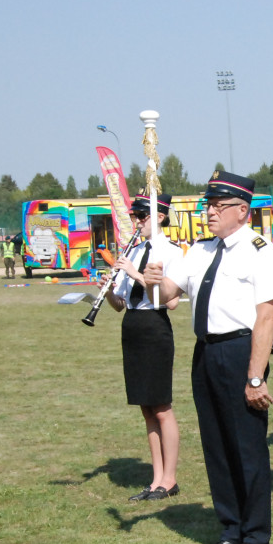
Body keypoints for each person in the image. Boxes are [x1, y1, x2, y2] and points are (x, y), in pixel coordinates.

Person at [144, 171, 273, 544]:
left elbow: (267, 315)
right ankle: (230, 530)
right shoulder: (201, 250)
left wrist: (255, 377)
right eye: (208, 206)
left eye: (218, 207)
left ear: (242, 210)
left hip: (241, 352)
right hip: (205, 353)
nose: (209, 213)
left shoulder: (261, 251)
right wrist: (153, 279)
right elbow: (170, 292)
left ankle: (256, 535)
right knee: (217, 447)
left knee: (247, 448)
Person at [103, 192, 183, 502]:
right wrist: (109, 289)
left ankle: (170, 479)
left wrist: (135, 274)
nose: (136, 222)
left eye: (142, 216)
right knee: (146, 408)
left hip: (155, 328)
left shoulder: (172, 252)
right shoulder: (134, 250)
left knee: (161, 406)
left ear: (159, 217)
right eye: (135, 217)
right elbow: (121, 305)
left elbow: (172, 302)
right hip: (133, 328)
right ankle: (155, 479)